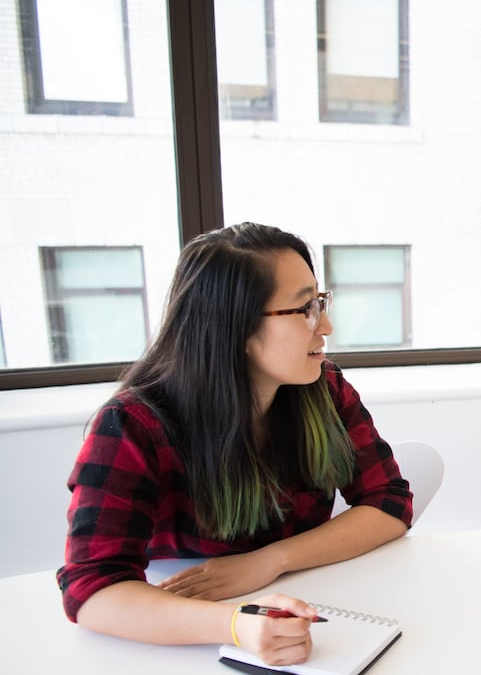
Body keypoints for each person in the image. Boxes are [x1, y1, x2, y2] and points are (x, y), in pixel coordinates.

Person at [57, 223, 413, 667]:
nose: (326, 325)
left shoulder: (325, 387)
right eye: (305, 308)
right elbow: (92, 590)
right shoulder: (133, 425)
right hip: (175, 638)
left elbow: (390, 502)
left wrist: (270, 560)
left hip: (317, 607)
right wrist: (233, 625)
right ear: (237, 327)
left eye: (320, 302)